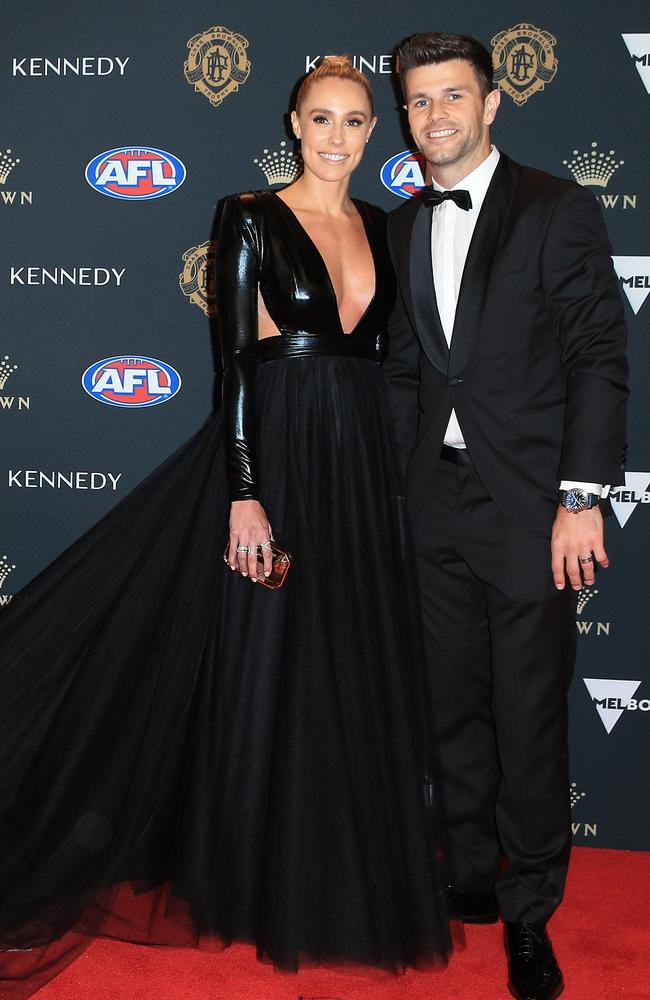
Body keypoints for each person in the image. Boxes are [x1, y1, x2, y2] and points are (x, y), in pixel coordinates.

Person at [0, 57, 452, 998]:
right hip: (277, 454)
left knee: (343, 661)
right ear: (295, 121)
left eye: (356, 121)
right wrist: (245, 493)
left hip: (362, 463)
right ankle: (245, 879)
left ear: (377, 133)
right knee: (265, 657)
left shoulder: (384, 223)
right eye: (321, 118)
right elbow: (235, 364)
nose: (337, 136)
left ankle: (335, 869)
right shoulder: (247, 214)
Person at [383, 31, 628, 1000]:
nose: (433, 115)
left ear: (490, 103)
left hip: (529, 507)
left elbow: (596, 360)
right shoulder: (402, 224)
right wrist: (392, 491)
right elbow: (408, 372)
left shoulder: (554, 208)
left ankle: (530, 913)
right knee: (450, 708)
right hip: (432, 503)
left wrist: (579, 498)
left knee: (527, 719)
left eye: (451, 96)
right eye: (416, 100)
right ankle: (473, 875)